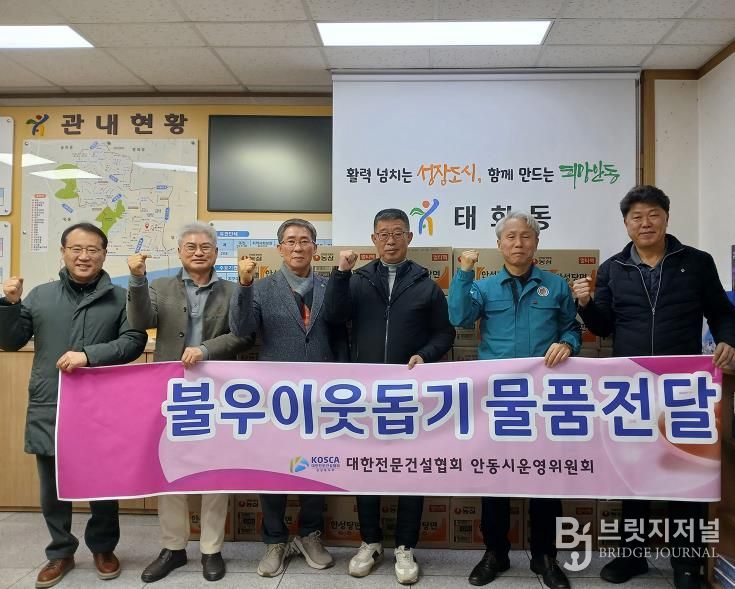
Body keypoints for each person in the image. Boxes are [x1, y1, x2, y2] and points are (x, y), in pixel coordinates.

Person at [572, 185, 735, 589]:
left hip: (684, 386)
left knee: (686, 474)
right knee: (635, 473)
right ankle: (632, 557)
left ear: (666, 217)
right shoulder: (613, 268)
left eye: (653, 215)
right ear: (626, 224)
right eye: (636, 217)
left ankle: (687, 565)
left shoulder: (696, 262)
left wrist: (728, 340)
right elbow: (603, 327)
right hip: (632, 387)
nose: (645, 223)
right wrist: (586, 305)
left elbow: (721, 312)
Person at [0, 222, 147, 589]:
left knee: (102, 482)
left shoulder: (120, 297)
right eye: (76, 249)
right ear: (63, 252)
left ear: (104, 254)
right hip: (51, 401)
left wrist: (88, 355)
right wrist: (10, 305)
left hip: (101, 405)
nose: (84, 256)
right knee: (52, 484)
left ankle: (103, 548)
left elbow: (133, 341)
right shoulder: (40, 295)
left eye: (92, 249)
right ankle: (60, 551)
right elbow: (11, 341)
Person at [448, 211, 580, 589]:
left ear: (536, 243)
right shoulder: (484, 287)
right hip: (499, 398)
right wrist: (464, 272)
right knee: (495, 477)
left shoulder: (555, 285)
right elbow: (458, 316)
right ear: (499, 244)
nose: (518, 243)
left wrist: (567, 343)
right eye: (510, 237)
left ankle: (545, 556)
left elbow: (572, 327)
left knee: (546, 477)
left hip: (544, 398)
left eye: (526, 236)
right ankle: (496, 553)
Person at [324, 208, 455, 585]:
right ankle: (370, 541)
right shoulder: (358, 280)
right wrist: (341, 273)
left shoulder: (426, 285)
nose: (391, 240)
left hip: (409, 395)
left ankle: (405, 546)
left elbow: (444, 334)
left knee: (410, 470)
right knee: (367, 469)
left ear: (409, 238)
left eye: (398, 233)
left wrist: (424, 355)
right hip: (365, 393)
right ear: (373, 239)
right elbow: (334, 316)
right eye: (383, 234)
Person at [127, 221, 249, 583]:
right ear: (180, 252)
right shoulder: (160, 286)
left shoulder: (231, 290)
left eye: (205, 247)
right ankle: (173, 548)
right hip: (171, 392)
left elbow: (242, 335)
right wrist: (137, 279)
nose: (198, 252)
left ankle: (211, 549)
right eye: (191, 247)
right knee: (170, 467)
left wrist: (206, 349)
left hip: (217, 390)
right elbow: (140, 320)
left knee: (215, 469)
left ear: (216, 253)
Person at [229, 218, 347, 578]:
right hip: (276, 396)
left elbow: (342, 335)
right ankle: (275, 540)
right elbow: (241, 329)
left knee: (317, 465)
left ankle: (310, 534)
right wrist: (244, 285)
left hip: (321, 396)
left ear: (315, 248)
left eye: (305, 240)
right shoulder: (261, 288)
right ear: (279, 248)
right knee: (274, 467)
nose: (298, 247)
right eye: (291, 241)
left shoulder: (330, 287)